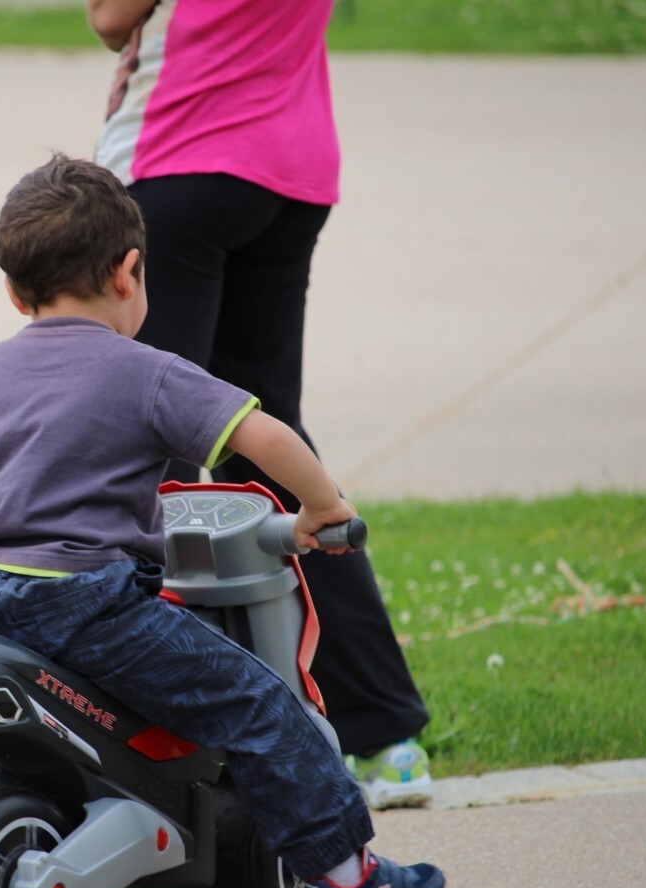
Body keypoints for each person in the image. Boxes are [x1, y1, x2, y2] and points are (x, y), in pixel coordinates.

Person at [0, 155, 446, 888]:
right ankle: (345, 880)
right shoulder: (144, 372)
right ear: (128, 272)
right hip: (83, 601)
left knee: (96, 728)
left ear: (14, 291)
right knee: (256, 702)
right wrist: (323, 508)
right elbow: (262, 433)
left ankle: (80, 869)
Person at [88, 0, 434, 809]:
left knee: (147, 443)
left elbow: (110, 17)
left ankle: (128, 735)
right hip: (290, 167)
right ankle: (385, 736)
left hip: (183, 152)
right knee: (268, 444)